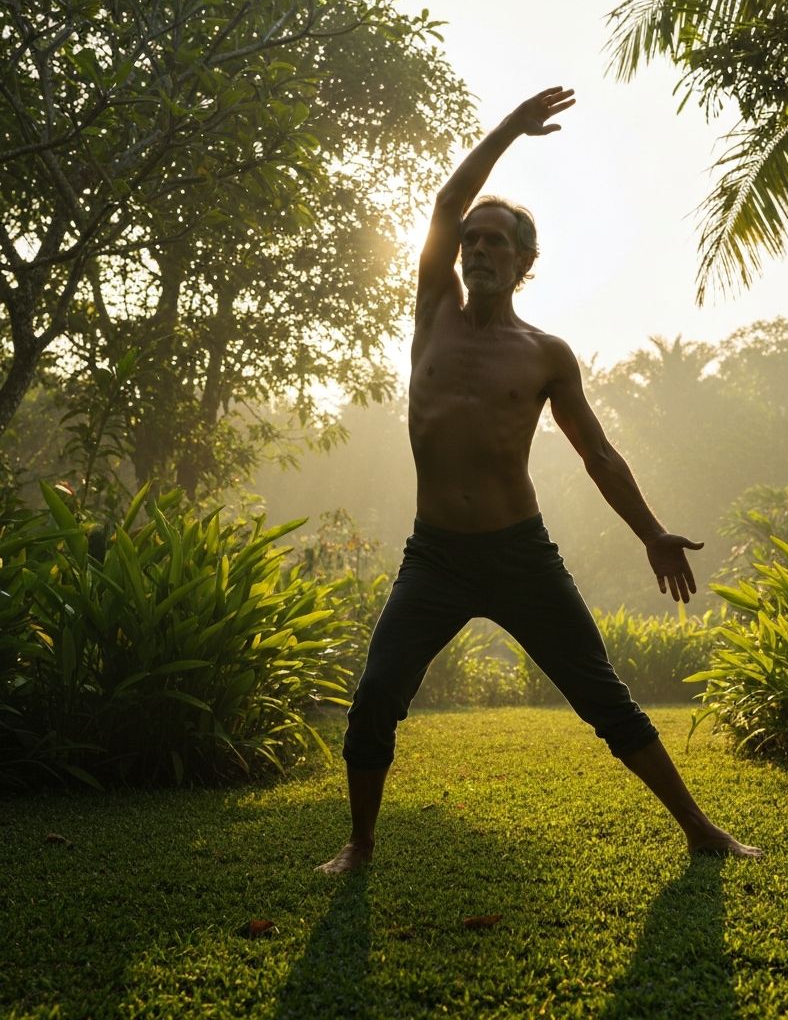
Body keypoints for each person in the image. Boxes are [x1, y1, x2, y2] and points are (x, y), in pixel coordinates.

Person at [316, 88, 762, 873]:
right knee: (377, 696)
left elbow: (598, 454)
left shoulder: (545, 353)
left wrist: (653, 531)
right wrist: (509, 132)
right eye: (471, 241)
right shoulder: (432, 313)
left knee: (603, 697)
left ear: (525, 262)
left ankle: (699, 828)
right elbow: (448, 199)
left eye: (496, 243)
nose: (478, 250)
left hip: (520, 555)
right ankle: (359, 846)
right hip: (435, 560)